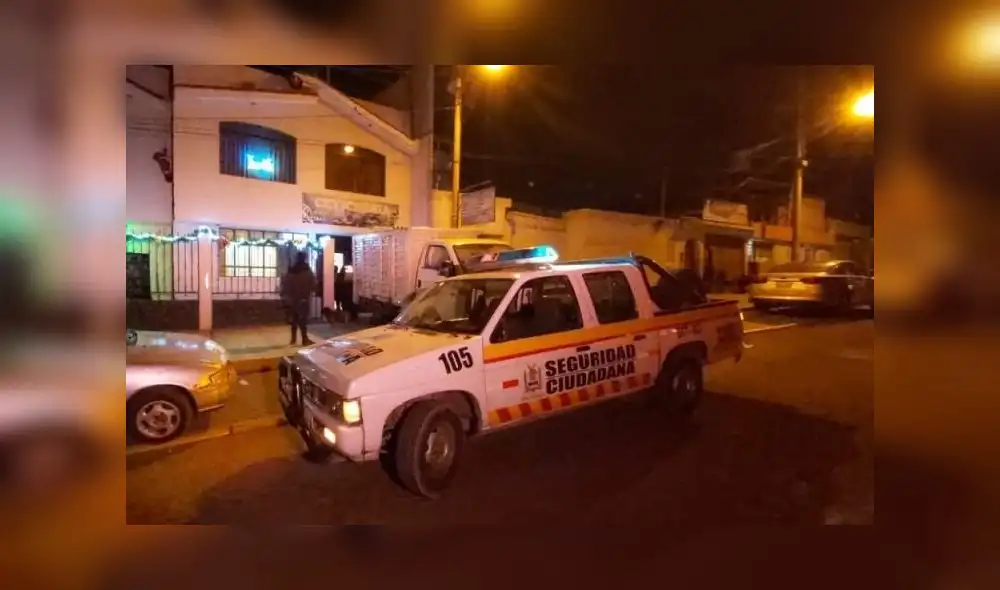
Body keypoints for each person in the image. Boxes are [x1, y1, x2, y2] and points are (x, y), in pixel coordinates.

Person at [281, 251, 316, 345]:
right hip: (303, 298)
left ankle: (293, 339)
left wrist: (287, 296)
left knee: (294, 319)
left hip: (292, 299)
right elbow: (313, 284)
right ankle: (304, 339)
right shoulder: (307, 271)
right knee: (303, 319)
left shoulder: (291, 271)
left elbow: (285, 284)